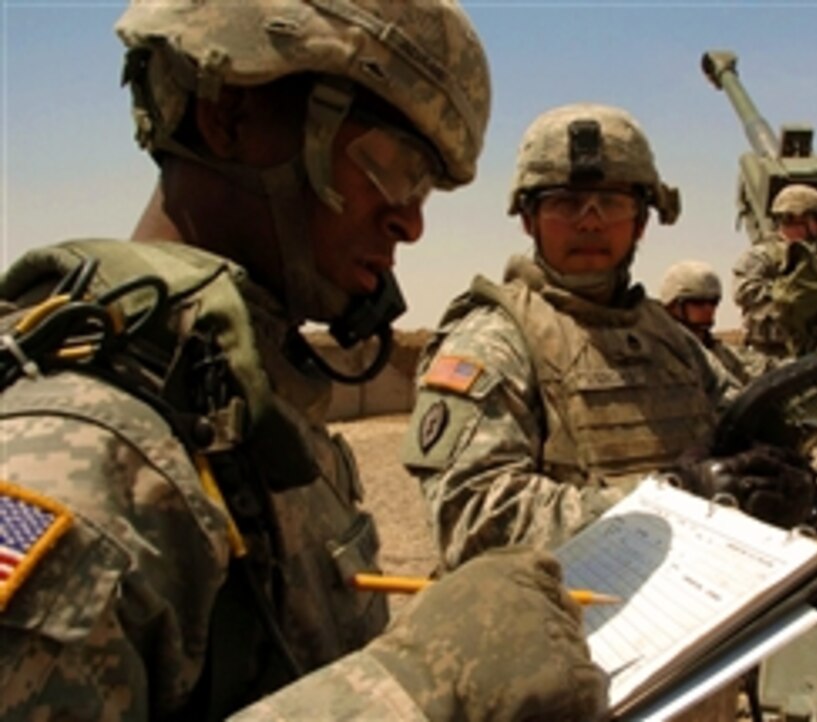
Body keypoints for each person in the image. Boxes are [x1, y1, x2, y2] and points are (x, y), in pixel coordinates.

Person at [0, 2, 608, 720]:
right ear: (228, 113)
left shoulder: (237, 412)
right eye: (390, 165)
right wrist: (423, 687)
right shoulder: (69, 463)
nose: (410, 222)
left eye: (423, 190)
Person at [401, 103, 817, 572]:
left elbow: (734, 436)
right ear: (528, 217)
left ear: (641, 220)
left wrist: (770, 477)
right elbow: (472, 516)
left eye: (612, 203)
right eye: (565, 202)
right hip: (556, 625)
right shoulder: (494, 339)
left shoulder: (673, 341)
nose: (591, 221)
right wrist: (676, 500)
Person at [732, 183, 817, 361]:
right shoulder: (762, 255)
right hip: (772, 355)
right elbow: (744, 291)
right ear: (798, 218)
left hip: (814, 350)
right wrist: (796, 293)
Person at [659, 259, 752, 383]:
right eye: (698, 302)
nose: (709, 309)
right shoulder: (657, 354)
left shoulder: (724, 355)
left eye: (713, 302)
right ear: (673, 305)